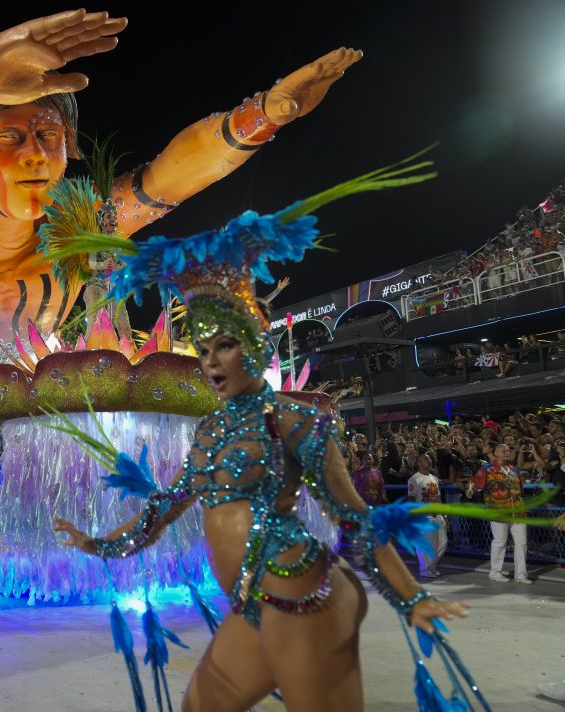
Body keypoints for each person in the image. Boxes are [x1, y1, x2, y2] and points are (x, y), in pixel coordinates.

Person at [50, 166, 468, 710]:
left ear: (254, 347)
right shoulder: (210, 429)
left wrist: (410, 596)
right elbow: (166, 507)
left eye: (223, 346)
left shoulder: (291, 420)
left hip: (302, 594)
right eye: (202, 351)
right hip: (254, 602)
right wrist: (98, 544)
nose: (210, 362)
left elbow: (356, 518)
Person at [0, 10, 362, 355]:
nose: (38, 155)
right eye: (11, 137)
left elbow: (171, 178)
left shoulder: (75, 233)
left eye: (50, 136)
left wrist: (266, 114)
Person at [475, 443, 531, 583]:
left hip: (518, 512)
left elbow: (521, 492)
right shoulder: (487, 469)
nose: (508, 452)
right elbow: (475, 484)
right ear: (496, 453)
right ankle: (495, 572)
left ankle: (521, 574)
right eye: (504, 450)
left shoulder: (515, 470)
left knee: (522, 543)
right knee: (500, 542)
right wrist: (471, 489)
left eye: (509, 449)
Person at [407, 454, 447, 578]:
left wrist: (444, 514)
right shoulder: (414, 479)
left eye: (429, 458)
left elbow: (438, 497)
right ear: (418, 462)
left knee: (442, 543)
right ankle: (425, 569)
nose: (428, 460)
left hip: (437, 514)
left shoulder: (434, 478)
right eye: (425, 459)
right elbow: (411, 499)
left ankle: (432, 566)